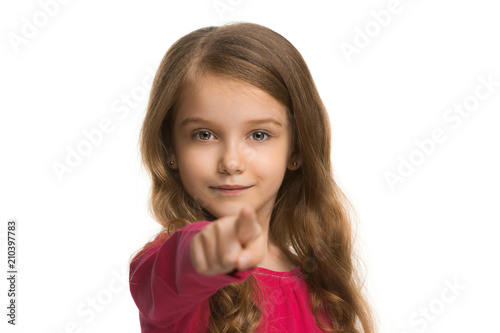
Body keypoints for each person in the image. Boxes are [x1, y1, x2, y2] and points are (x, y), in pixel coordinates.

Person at [129, 22, 375, 332]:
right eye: (204, 135)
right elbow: (176, 267)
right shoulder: (163, 270)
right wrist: (209, 248)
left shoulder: (318, 286)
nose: (231, 162)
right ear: (170, 148)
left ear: (296, 149)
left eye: (258, 135)